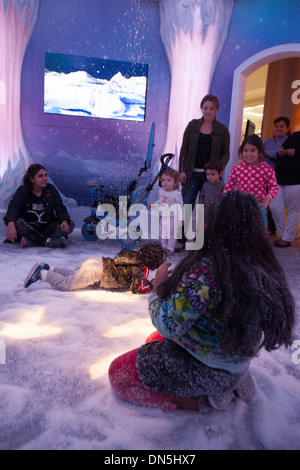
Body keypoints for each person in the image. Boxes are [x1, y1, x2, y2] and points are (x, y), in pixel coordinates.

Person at [108, 191, 295, 412]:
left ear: (213, 225)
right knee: (153, 340)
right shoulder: (262, 266)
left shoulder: (207, 271)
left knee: (118, 373)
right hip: (234, 361)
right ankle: (234, 381)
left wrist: (157, 289)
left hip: (207, 371)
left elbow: (168, 324)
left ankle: (203, 400)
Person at [175, 94, 230, 252]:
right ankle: (181, 240)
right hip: (191, 174)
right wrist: (182, 170)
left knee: (206, 210)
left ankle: (202, 241)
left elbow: (226, 153)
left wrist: (219, 167)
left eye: (211, 108)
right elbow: (184, 149)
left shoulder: (222, 130)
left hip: (211, 178)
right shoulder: (192, 126)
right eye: (205, 108)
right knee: (186, 206)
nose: (208, 111)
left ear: (216, 110)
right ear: (201, 108)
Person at [23, 243, 166, 294]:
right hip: (96, 273)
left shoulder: (134, 254)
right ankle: (42, 274)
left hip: (96, 261)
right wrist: (151, 284)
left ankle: (51, 268)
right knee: (68, 284)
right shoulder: (141, 269)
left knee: (73, 274)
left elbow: (119, 256)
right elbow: (136, 288)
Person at [3, 164, 74, 248]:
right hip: (29, 228)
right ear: (32, 179)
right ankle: (47, 241)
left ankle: (33, 241)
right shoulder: (23, 191)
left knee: (70, 224)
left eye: (45, 175)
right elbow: (14, 207)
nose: (45, 178)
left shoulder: (51, 190)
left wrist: (64, 220)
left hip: (47, 227)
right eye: (40, 176)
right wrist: (11, 224)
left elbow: (60, 208)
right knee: (18, 222)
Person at [224, 134, 278, 227]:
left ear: (260, 152)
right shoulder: (237, 168)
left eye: (252, 150)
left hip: (259, 207)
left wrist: (269, 198)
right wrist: (224, 201)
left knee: (259, 232)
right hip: (240, 206)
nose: (248, 154)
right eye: (245, 150)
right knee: (241, 231)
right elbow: (228, 188)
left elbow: (274, 187)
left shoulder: (267, 169)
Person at [270, 129, 300, 247]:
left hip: (297, 178)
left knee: (293, 210)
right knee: (274, 206)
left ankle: (286, 239)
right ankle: (281, 234)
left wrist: (296, 152)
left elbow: (295, 152)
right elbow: (280, 151)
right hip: (280, 177)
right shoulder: (294, 135)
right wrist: (281, 152)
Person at [263, 116, 290, 235]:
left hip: (280, 178)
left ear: (287, 129)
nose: (278, 128)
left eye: (282, 126)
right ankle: (270, 228)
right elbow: (261, 155)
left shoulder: (288, 140)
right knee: (266, 203)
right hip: (265, 177)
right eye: (277, 126)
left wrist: (269, 154)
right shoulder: (267, 141)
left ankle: (279, 231)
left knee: (277, 206)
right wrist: (276, 153)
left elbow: (282, 155)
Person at [151, 169, 184, 255]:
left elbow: (181, 206)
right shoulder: (161, 191)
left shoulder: (176, 194)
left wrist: (181, 218)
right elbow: (161, 201)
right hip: (164, 216)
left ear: (175, 183)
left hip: (173, 217)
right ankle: (163, 247)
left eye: (169, 180)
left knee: (171, 234)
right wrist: (154, 204)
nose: (165, 182)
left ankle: (170, 249)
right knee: (163, 233)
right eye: (163, 180)